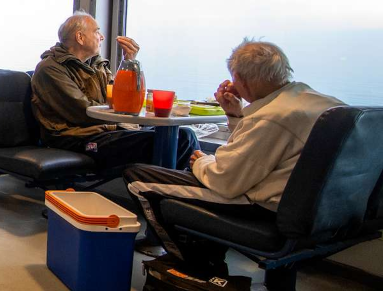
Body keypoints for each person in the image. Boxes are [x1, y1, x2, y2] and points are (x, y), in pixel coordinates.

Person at [123, 40, 344, 266]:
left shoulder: (272, 117)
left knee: (137, 176)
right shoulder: (325, 104)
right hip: (325, 212)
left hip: (264, 207)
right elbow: (259, 152)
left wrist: (202, 161)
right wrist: (236, 116)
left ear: (244, 81)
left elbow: (225, 181)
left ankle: (194, 266)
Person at [31, 11, 198, 170]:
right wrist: (121, 122)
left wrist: (129, 62)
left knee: (186, 135)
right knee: (176, 140)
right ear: (80, 37)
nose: (102, 37)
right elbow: (82, 111)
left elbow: (123, 99)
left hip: (106, 130)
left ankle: (175, 190)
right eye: (97, 32)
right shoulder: (50, 69)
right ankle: (163, 193)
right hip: (76, 137)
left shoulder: (98, 66)